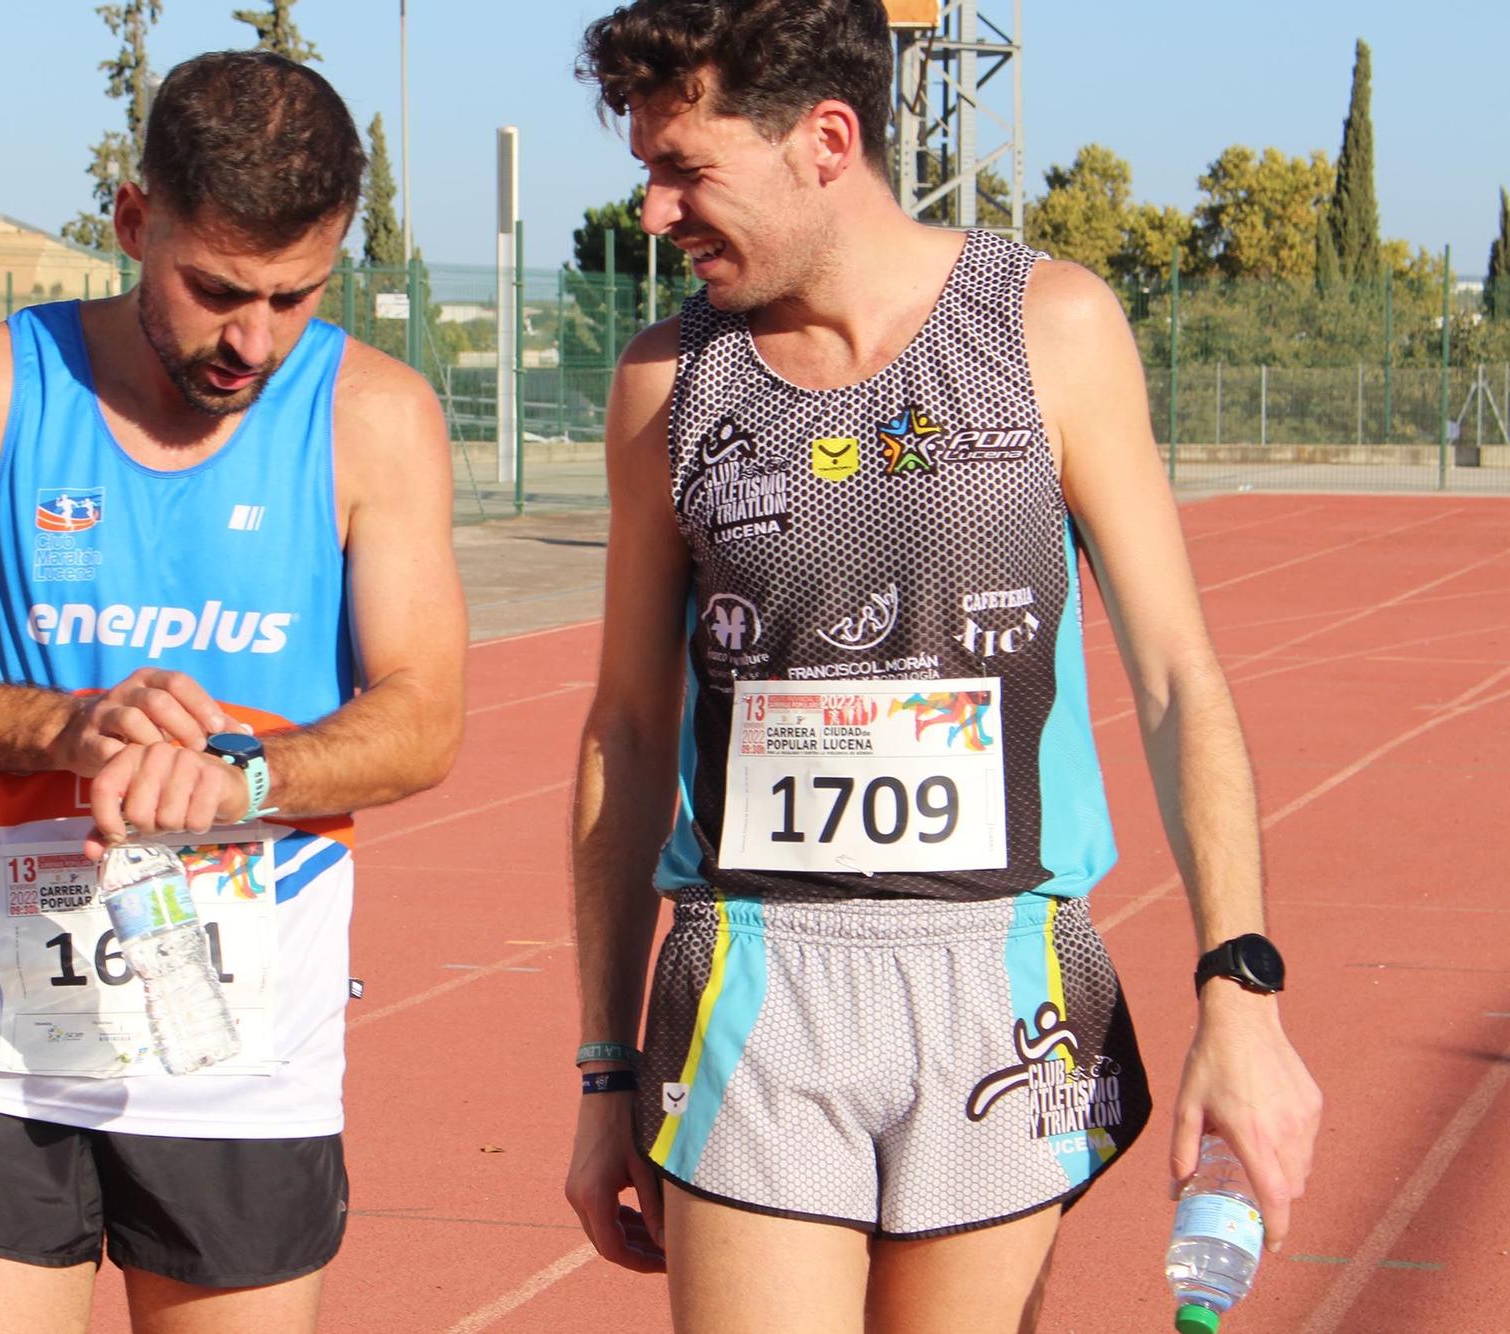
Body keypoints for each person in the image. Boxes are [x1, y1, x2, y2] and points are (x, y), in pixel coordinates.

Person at [560, 4, 1322, 1331]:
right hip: (754, 974)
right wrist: (599, 1067)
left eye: (686, 167)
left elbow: (1179, 679)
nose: (654, 208)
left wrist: (1239, 985)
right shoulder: (666, 383)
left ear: (825, 140)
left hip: (1002, 977)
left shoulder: (1050, 328)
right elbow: (627, 731)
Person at [0, 50, 467, 1334]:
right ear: (131, 222)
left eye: (294, 295)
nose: (253, 339)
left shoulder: (373, 417)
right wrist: (55, 720)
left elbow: (426, 715)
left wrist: (246, 776)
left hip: (240, 1043)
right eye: (217, 290)